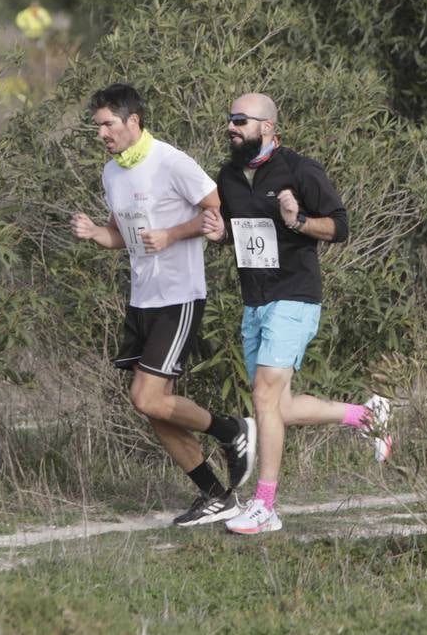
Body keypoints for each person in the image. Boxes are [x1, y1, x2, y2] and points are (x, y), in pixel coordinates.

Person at [202, 92, 391, 535]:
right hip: (255, 300)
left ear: (267, 127)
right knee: (276, 407)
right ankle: (366, 416)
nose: (230, 127)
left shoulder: (300, 169)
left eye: (239, 120)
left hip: (295, 296)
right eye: (229, 120)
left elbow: (339, 227)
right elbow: (239, 231)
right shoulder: (228, 176)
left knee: (264, 396)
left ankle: (264, 505)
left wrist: (299, 220)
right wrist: (219, 233)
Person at [70, 83, 256, 525]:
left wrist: (172, 234)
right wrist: (97, 232)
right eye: (97, 126)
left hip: (179, 294)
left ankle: (233, 430)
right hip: (142, 298)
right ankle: (216, 495)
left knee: (144, 396)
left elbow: (216, 214)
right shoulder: (112, 172)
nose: (101, 134)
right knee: (154, 408)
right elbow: (122, 236)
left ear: (133, 121)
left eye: (107, 125)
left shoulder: (171, 161)